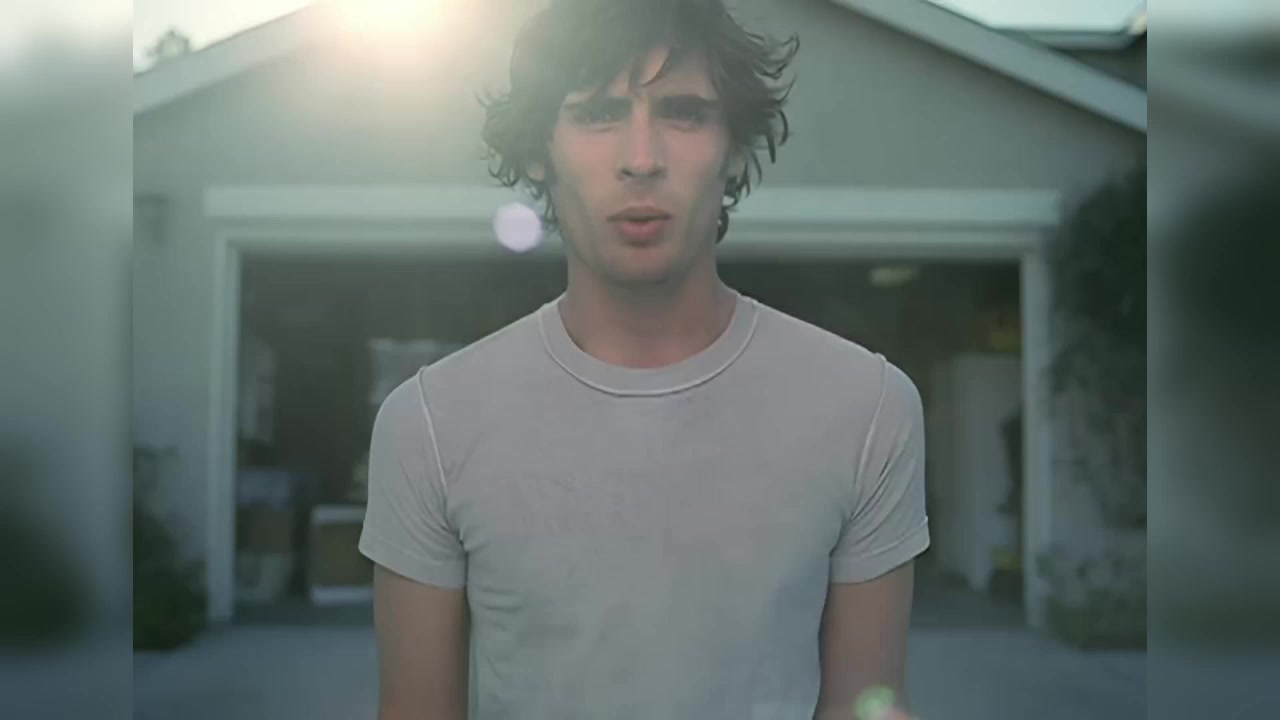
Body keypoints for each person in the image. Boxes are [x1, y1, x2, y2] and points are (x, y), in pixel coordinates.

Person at [358, 1, 929, 718]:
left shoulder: (866, 408)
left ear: (734, 148)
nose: (641, 158)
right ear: (539, 149)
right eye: (598, 113)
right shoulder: (432, 424)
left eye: (684, 112)